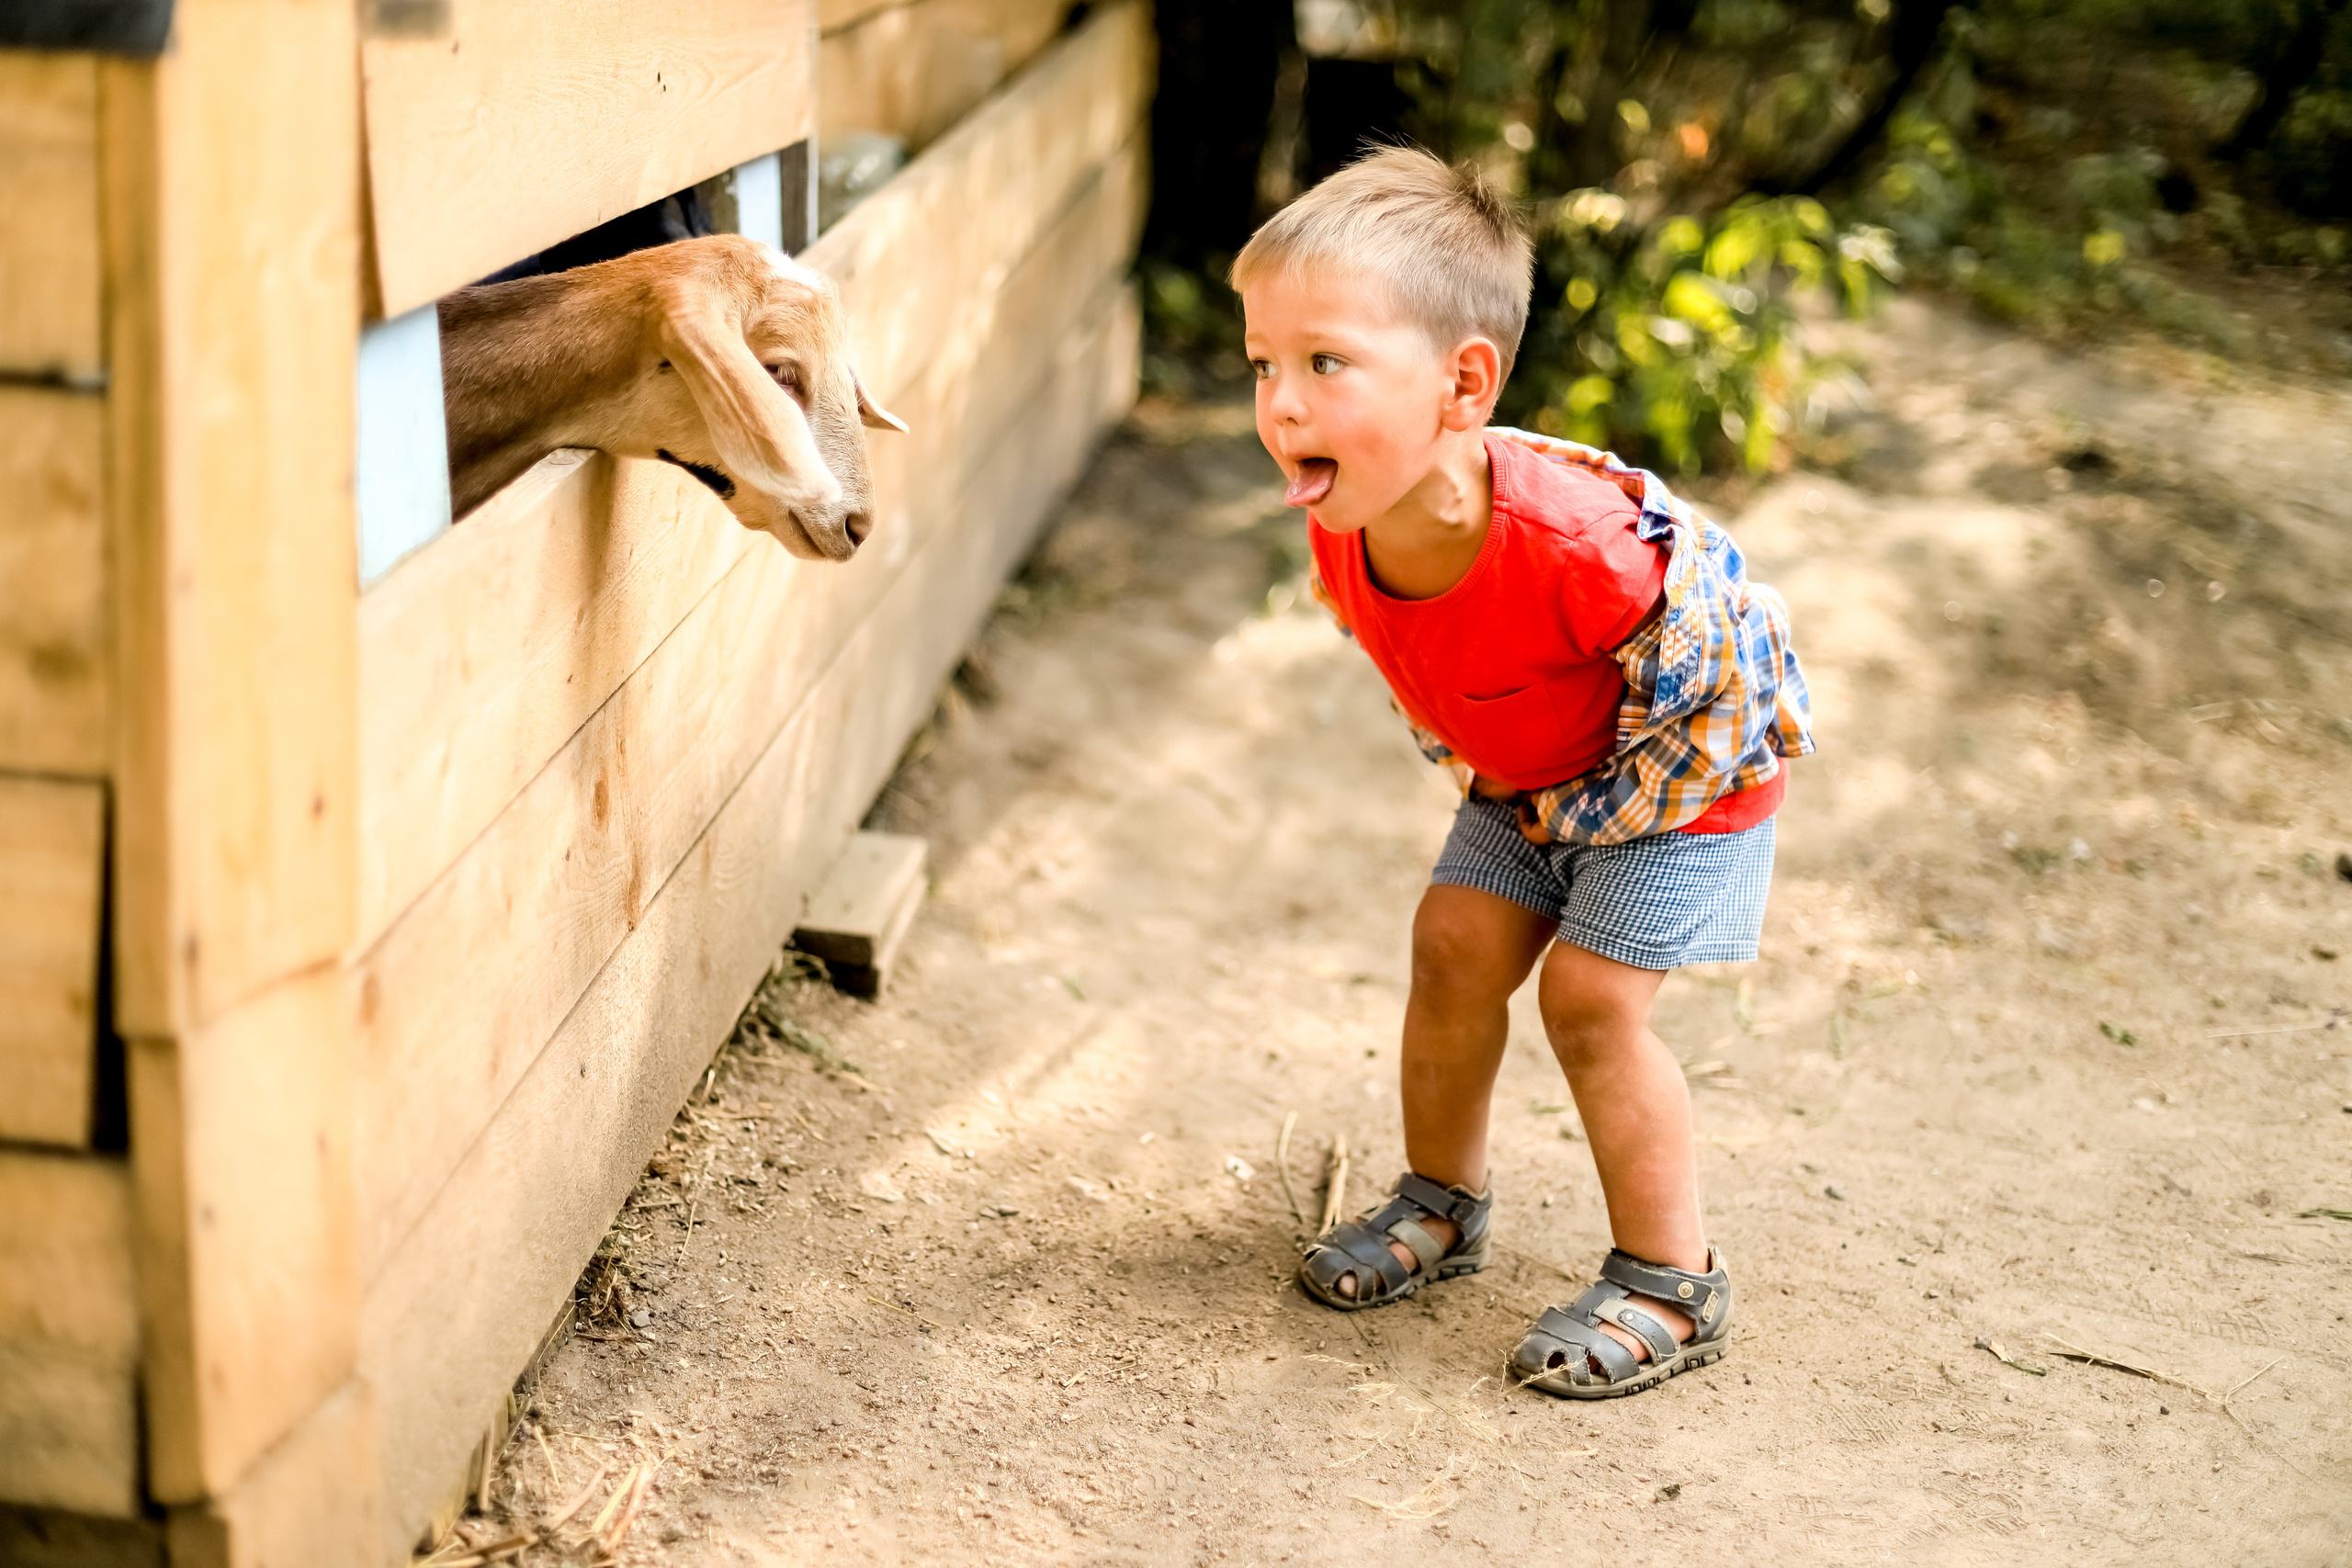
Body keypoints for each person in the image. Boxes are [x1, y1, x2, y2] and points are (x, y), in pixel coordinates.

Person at [1234, 146, 1814, 1398]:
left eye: (1325, 363)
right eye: (1263, 365)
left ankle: (1672, 1278)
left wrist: (1606, 820)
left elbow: (1732, 680)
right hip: (1539, 778)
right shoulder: (1349, 534)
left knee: (1591, 1005)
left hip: (1685, 780)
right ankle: (1442, 1204)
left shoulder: (1581, 549)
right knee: (1452, 943)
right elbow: (1453, 682)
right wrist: (1514, 787)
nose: (1281, 403)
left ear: (1464, 385)